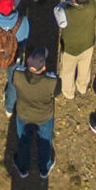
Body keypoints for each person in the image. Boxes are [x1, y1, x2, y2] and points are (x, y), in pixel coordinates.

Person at [11, 45, 59, 178]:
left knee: (23, 141)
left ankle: (23, 167)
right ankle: (44, 168)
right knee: (44, 141)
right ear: (43, 68)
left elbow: (13, 82)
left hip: (23, 115)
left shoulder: (18, 74)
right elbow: (57, 92)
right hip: (44, 117)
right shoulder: (51, 81)